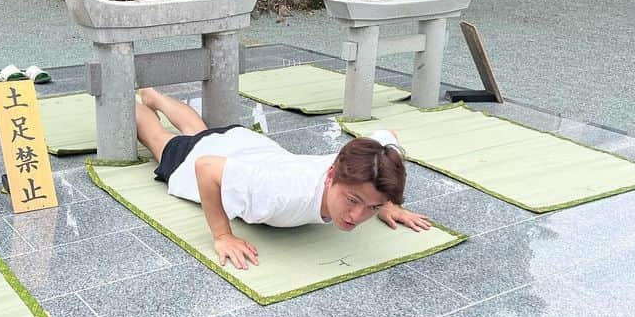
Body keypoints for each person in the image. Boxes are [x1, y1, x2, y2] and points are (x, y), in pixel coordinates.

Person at [135, 87, 433, 270]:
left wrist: (387, 203)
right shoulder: (280, 195)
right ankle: (130, 101)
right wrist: (222, 236)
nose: (357, 215)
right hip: (209, 156)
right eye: (353, 200)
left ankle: (156, 96)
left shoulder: (361, 162)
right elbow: (206, 168)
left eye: (370, 207)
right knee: (158, 139)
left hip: (246, 144)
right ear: (332, 174)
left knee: (200, 129)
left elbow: (388, 139)